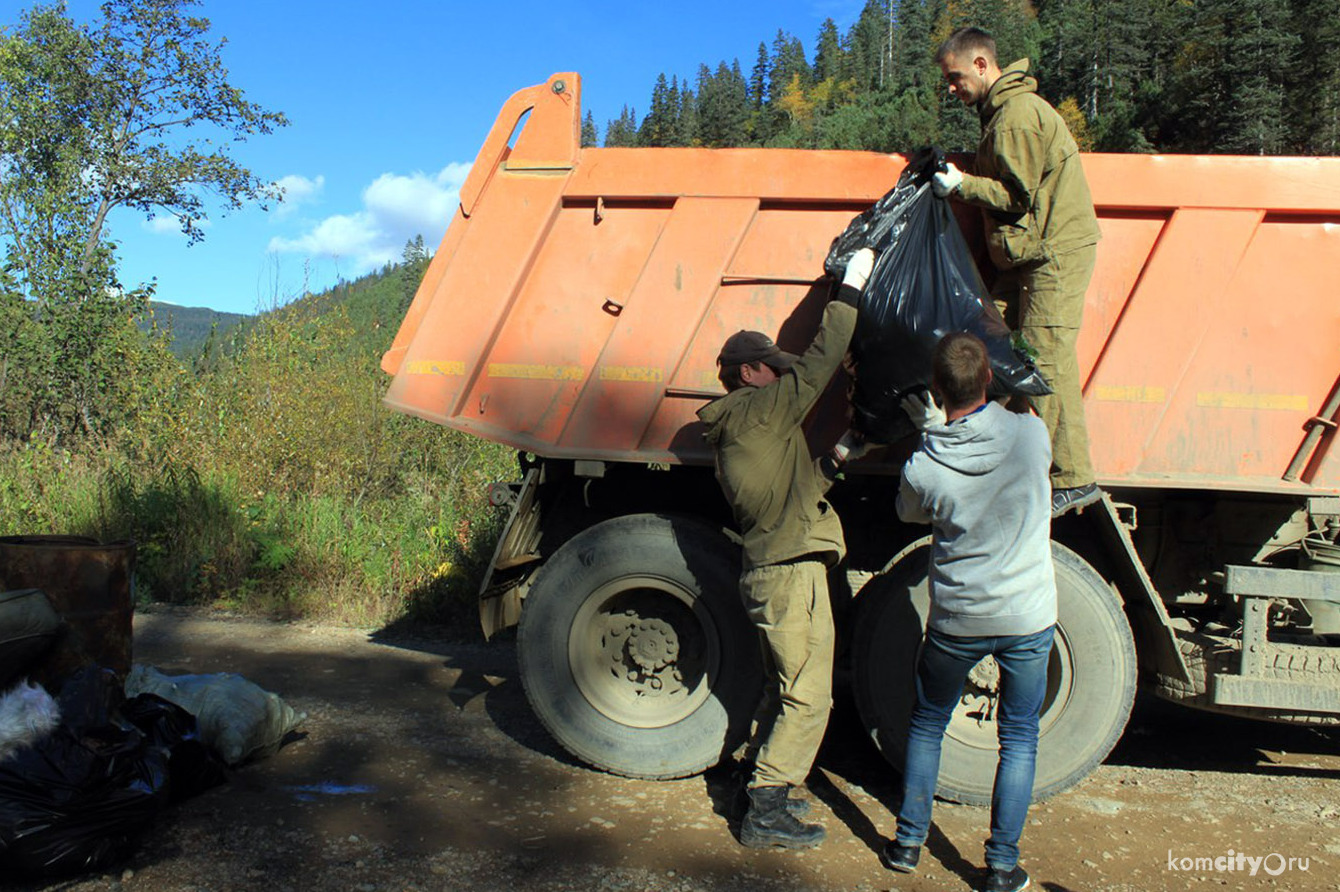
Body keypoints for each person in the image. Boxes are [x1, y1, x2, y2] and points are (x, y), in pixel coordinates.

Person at [697, 247, 876, 849]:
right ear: (749, 374)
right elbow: (819, 366)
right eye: (771, 367)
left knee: (787, 689)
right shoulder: (756, 411)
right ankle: (765, 811)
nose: (780, 375)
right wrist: (850, 289)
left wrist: (844, 451)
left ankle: (753, 782)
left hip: (783, 567)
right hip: (786, 574)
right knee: (808, 698)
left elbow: (795, 490)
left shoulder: (754, 430)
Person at [882, 332, 1056, 892]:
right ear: (988, 380)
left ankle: (908, 844)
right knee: (1020, 737)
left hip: (958, 620)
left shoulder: (925, 466)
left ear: (935, 390)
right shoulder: (1031, 437)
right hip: (1027, 618)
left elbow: (909, 512)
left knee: (928, 725)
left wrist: (932, 435)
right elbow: (1016, 411)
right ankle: (1001, 866)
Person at [931, 26, 1103, 517]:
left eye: (955, 77)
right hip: (1029, 254)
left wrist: (960, 184)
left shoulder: (1015, 119)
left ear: (982, 65)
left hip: (1053, 253)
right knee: (992, 341)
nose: (951, 88)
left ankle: (1072, 478)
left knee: (1044, 356)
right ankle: (1000, 448)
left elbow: (1015, 195)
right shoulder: (1002, 116)